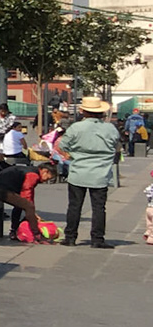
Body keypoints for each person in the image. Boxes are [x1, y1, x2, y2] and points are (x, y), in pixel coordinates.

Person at [60, 95, 122, 249]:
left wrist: (73, 154)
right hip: (100, 173)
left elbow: (63, 145)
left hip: (78, 171)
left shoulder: (76, 127)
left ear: (83, 111)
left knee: (74, 206)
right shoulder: (110, 128)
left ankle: (70, 237)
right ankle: (97, 239)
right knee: (99, 208)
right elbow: (116, 145)